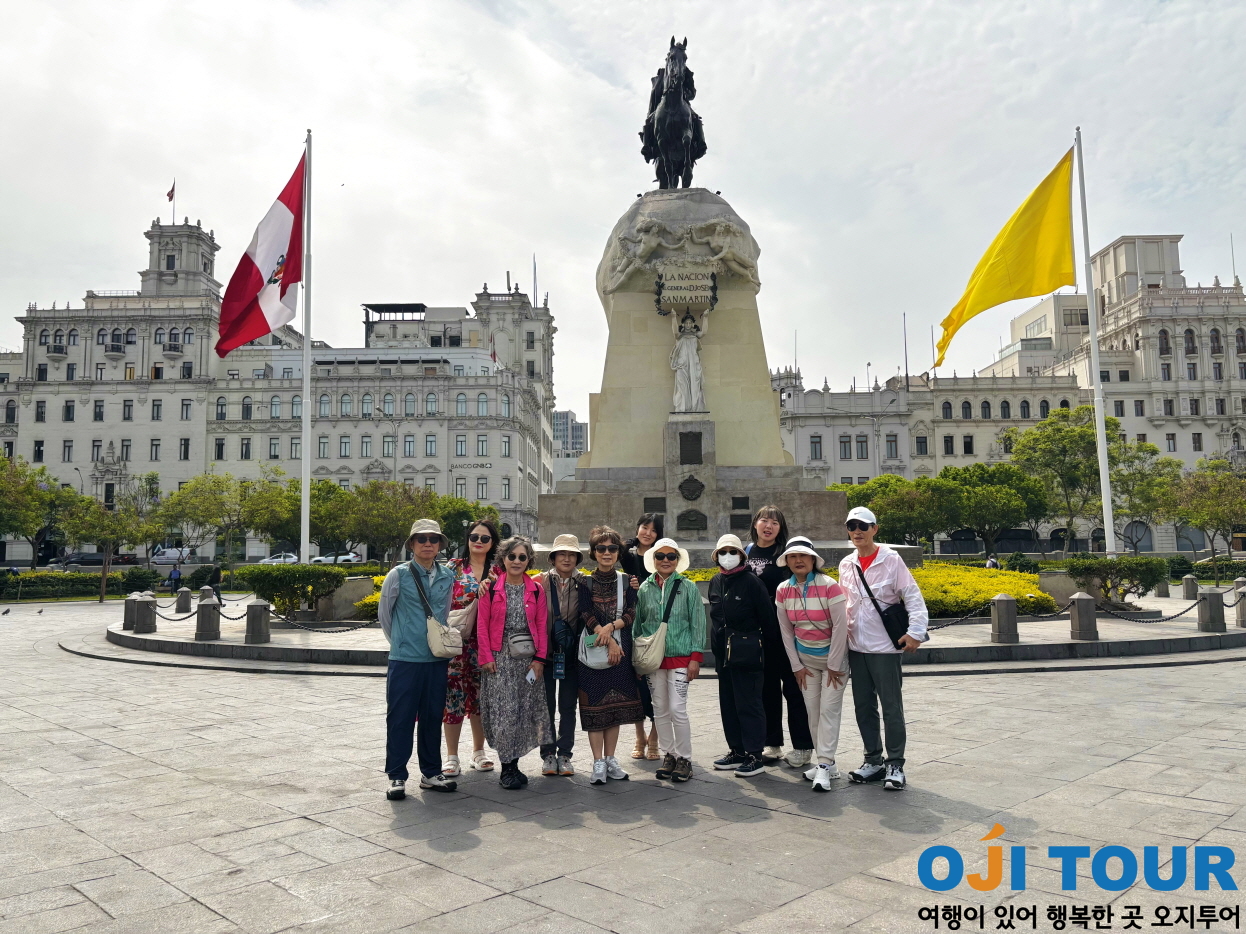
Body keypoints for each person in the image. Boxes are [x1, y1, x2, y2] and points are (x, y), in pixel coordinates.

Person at [838, 506, 929, 791]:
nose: (857, 531)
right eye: (852, 526)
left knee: (891, 708)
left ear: (875, 529)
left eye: (863, 526)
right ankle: (873, 761)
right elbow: (842, 605)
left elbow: (912, 596)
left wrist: (915, 633)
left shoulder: (891, 559)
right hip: (856, 647)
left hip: (885, 648)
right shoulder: (846, 564)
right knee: (863, 707)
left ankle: (895, 764)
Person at [378, 519, 458, 798]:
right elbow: (385, 615)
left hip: (436, 659)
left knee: (432, 717)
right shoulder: (398, 574)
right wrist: (401, 641)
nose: (427, 543)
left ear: (439, 545)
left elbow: (444, 614)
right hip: (404, 660)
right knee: (399, 718)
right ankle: (397, 776)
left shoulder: (448, 576)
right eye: (421, 538)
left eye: (433, 539)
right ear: (411, 544)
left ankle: (431, 772)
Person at [774, 536, 849, 793]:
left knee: (829, 712)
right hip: (806, 663)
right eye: (793, 556)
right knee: (813, 714)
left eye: (803, 556)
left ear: (813, 560)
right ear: (787, 561)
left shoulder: (830, 586)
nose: (798, 560)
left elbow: (841, 627)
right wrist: (796, 666)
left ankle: (824, 766)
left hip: (833, 663)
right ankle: (827, 763)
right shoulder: (783, 589)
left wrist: (835, 663)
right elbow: (786, 631)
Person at [477, 536, 551, 790]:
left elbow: (542, 625)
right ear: (503, 559)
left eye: (522, 557)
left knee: (521, 713)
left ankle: (514, 764)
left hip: (527, 660)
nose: (517, 561)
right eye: (512, 556)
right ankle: (506, 768)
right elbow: (481, 625)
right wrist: (486, 657)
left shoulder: (536, 589)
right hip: (499, 660)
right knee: (504, 714)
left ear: (529, 560)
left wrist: (540, 658)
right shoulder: (491, 588)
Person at [744, 505, 814, 769]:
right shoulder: (746, 552)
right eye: (764, 520)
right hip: (757, 635)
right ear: (755, 524)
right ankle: (772, 743)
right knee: (767, 690)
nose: (768, 526)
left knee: (794, 690)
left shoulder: (785, 555)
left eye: (774, 522)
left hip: (786, 633)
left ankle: (803, 747)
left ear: (780, 528)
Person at [633, 537, 705, 782]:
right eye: (660, 556)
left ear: (677, 560)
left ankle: (685, 758)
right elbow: (638, 625)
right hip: (653, 660)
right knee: (660, 710)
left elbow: (697, 623)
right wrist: (637, 660)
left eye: (671, 556)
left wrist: (696, 657)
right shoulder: (644, 588)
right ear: (653, 560)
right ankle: (669, 755)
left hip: (681, 656)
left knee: (677, 709)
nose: (665, 560)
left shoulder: (688, 587)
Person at [579, 526, 644, 785]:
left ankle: (611, 759)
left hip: (620, 648)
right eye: (602, 548)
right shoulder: (584, 581)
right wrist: (601, 631)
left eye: (613, 548)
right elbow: (584, 612)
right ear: (594, 552)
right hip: (593, 648)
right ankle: (597, 762)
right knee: (595, 707)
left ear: (619, 552)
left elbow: (631, 612)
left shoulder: (628, 581)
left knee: (613, 708)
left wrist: (611, 630)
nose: (607, 553)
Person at [708, 533, 774, 778]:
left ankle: (755, 755)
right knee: (729, 704)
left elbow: (767, 620)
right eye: (723, 552)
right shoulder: (716, 581)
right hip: (723, 655)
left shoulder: (752, 582)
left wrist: (764, 652)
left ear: (742, 556)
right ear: (716, 557)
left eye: (733, 552)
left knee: (749, 703)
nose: (728, 556)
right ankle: (736, 750)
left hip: (748, 653)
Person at [441, 520, 499, 778]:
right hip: (454, 643)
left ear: (492, 543)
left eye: (485, 538)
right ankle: (452, 756)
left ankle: (479, 751)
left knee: (480, 698)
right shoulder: (453, 567)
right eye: (474, 536)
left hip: (485, 645)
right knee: (452, 698)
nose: (478, 541)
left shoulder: (498, 571)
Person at [537, 534, 592, 777]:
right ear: (553, 558)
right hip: (545, 655)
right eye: (562, 554)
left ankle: (565, 754)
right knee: (546, 706)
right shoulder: (539, 582)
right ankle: (548, 754)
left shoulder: (585, 584)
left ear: (577, 558)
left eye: (571, 554)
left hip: (572, 656)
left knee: (568, 706)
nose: (567, 558)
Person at [620, 513, 663, 761]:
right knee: (635, 684)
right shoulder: (625, 553)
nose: (647, 533)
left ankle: (655, 738)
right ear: (637, 528)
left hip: (655, 623)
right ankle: (639, 735)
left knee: (656, 684)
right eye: (644, 528)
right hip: (631, 621)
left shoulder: (662, 555)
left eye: (653, 530)